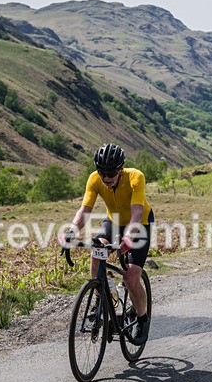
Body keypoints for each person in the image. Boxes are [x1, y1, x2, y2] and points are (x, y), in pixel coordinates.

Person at [65, 143, 154, 345]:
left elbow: (137, 213)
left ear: (121, 169)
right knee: (97, 249)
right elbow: (84, 210)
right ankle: (100, 297)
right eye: (102, 172)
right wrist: (71, 232)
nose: (106, 178)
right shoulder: (94, 179)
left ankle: (142, 319)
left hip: (139, 224)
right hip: (113, 221)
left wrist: (128, 238)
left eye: (111, 173)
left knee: (131, 278)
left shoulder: (136, 177)